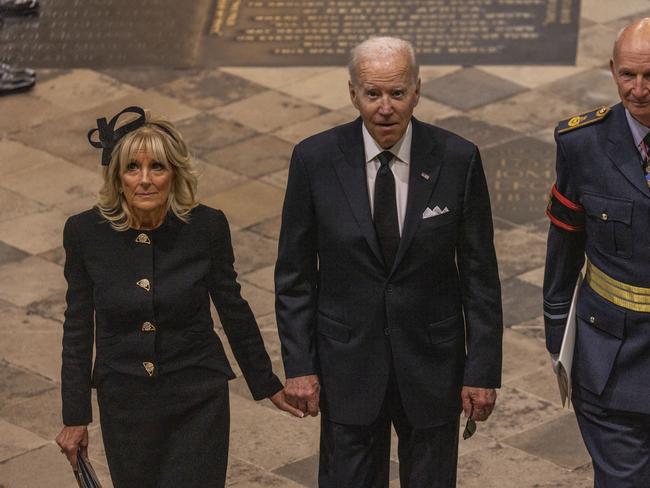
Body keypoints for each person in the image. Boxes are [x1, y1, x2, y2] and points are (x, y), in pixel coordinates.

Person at [274, 37, 503, 487]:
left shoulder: (458, 159)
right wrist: (300, 365)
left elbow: (480, 277)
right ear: (352, 92)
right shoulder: (314, 159)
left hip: (432, 365)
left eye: (397, 94)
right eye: (372, 94)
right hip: (348, 365)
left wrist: (482, 370)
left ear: (417, 91)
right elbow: (295, 275)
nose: (385, 108)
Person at [54, 106, 302, 488]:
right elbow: (77, 327)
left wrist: (267, 382)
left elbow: (233, 307)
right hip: (125, 401)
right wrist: (75, 416)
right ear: (118, 178)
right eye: (132, 168)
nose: (145, 180)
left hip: (197, 397)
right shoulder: (86, 233)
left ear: (175, 174)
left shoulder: (206, 226)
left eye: (158, 167)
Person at [544, 18, 650, 488]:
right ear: (612, 69)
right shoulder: (582, 144)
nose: (639, 89)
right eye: (628, 75)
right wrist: (558, 344)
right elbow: (563, 248)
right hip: (610, 357)